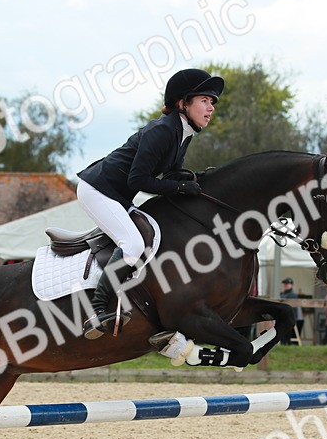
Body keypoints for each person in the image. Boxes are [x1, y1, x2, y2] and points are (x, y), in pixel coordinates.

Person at [75, 67, 223, 338]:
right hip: (98, 190)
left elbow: (171, 173)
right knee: (131, 243)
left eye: (212, 102)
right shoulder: (162, 130)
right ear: (182, 103)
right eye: (204, 100)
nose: (211, 108)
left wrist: (200, 179)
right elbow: (137, 180)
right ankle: (96, 310)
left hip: (117, 194)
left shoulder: (183, 132)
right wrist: (179, 187)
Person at [279, 277, 303, 344]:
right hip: (287, 317)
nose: (286, 285)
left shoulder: (292, 294)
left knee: (287, 336)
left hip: (290, 318)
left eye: (287, 284)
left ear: (291, 285)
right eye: (285, 284)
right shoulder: (284, 294)